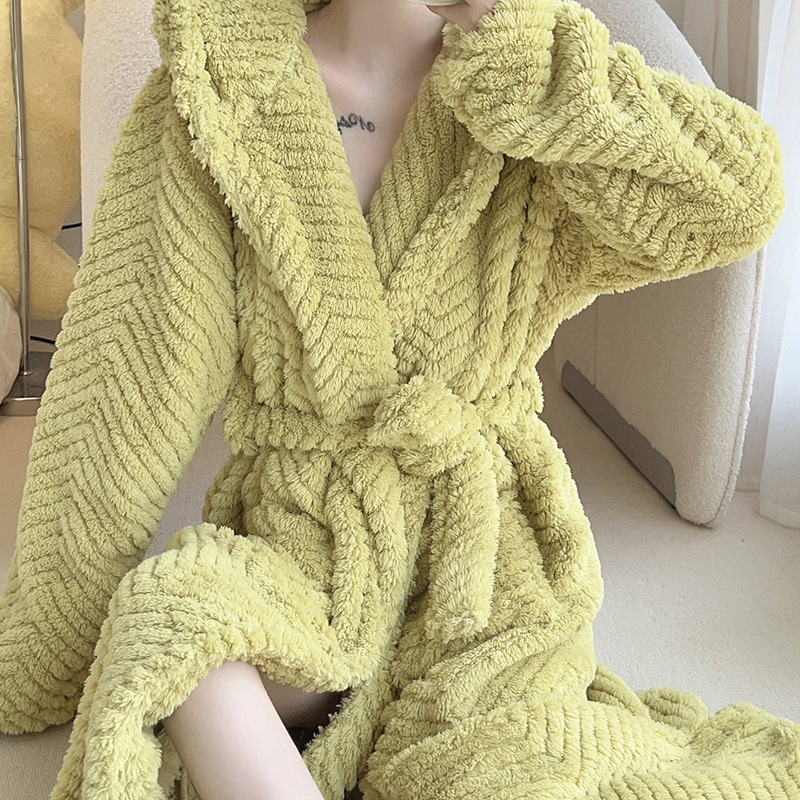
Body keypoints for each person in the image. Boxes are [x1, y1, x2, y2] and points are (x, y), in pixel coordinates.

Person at [160, 2, 462, 798]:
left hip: (472, 562)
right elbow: (133, 373)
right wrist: (48, 633)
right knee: (174, 623)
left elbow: (737, 202)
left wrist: (527, 53)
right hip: (304, 538)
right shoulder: (222, 76)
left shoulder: (522, 84)